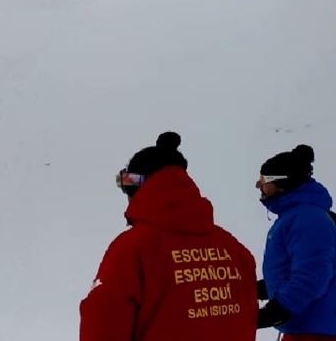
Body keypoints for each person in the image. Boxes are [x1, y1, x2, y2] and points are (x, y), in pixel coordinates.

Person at [79, 132, 258, 341]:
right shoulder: (234, 249)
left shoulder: (132, 249)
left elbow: (102, 326)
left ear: (140, 185)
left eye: (126, 182)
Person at [255, 144, 336, 340]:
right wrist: (256, 289)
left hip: (315, 333)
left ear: (283, 183)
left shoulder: (308, 218)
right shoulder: (296, 216)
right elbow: (293, 272)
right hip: (302, 328)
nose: (258, 185)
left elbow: (312, 275)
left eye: (264, 180)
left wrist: (274, 313)